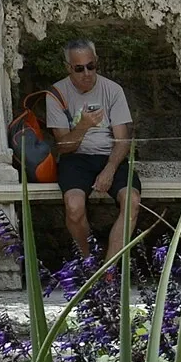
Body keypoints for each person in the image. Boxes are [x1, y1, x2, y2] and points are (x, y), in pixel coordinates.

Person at [44, 39, 143, 261]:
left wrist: (109, 169)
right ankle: (88, 263)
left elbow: (122, 140)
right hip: (76, 158)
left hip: (110, 157)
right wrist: (83, 126)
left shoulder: (112, 90)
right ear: (68, 67)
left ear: (96, 62)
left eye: (91, 66)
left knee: (132, 201)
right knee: (74, 206)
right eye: (79, 69)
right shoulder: (57, 94)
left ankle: (107, 271)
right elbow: (62, 146)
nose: (87, 73)